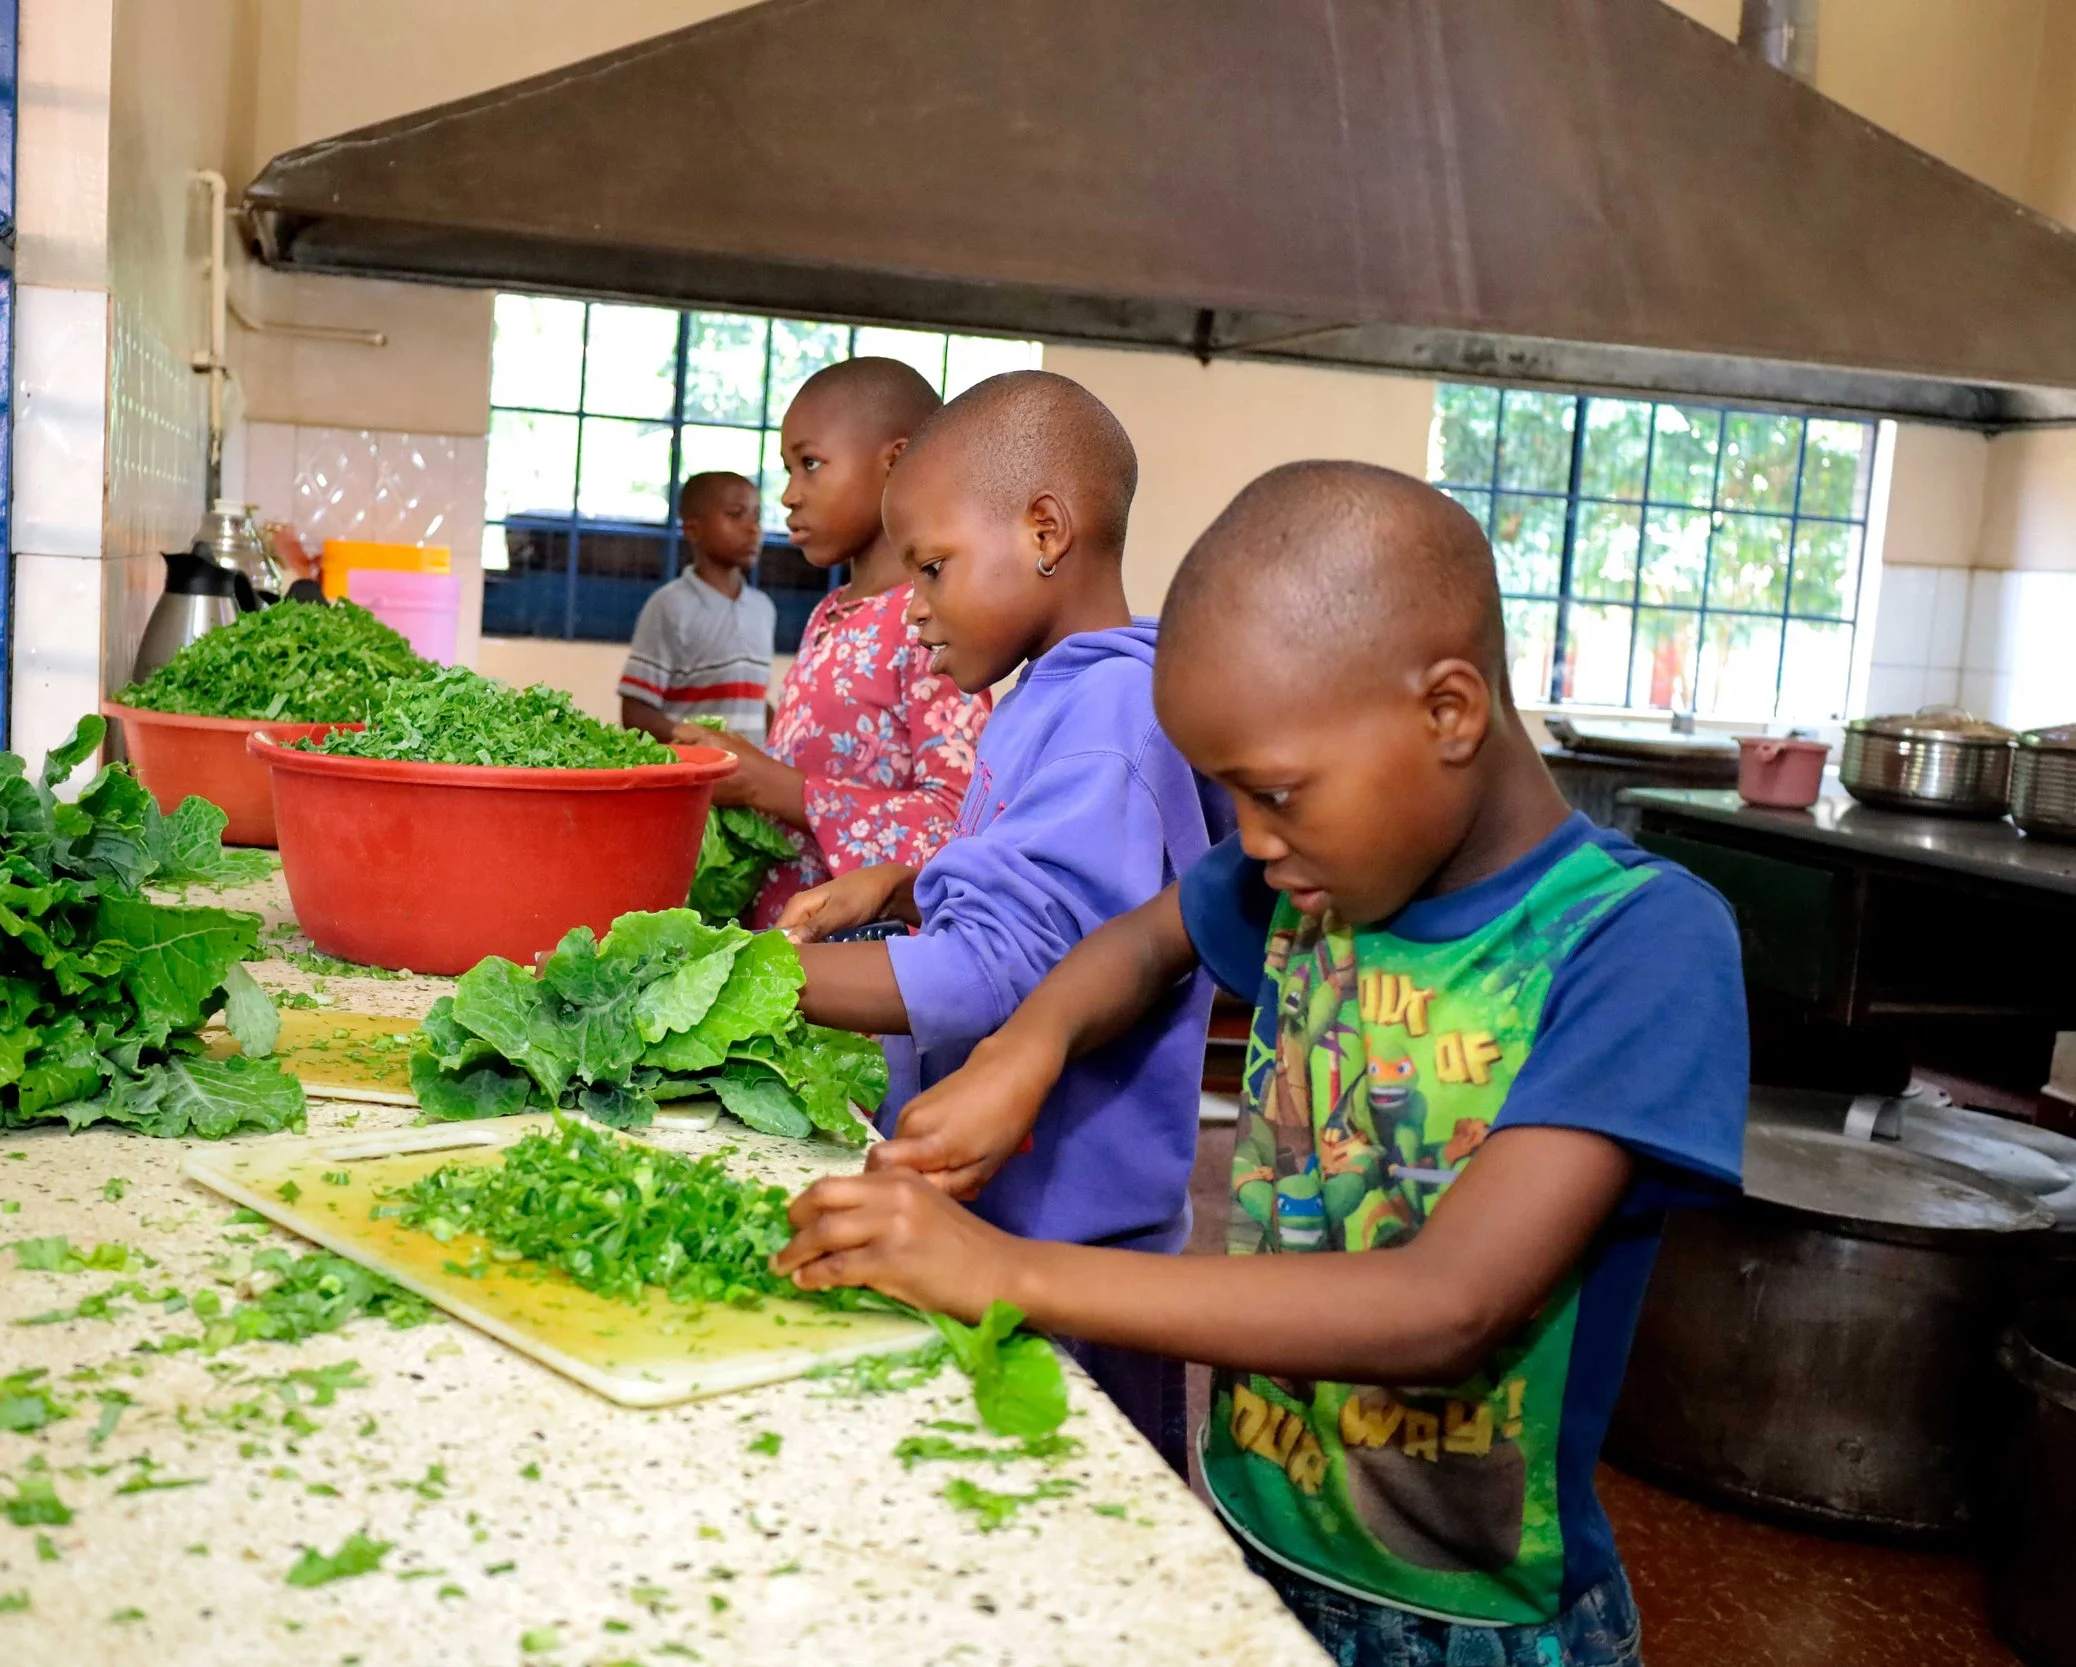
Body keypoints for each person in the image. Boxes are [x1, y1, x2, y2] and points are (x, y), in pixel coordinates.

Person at [772, 461, 1749, 1667]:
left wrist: (1005, 1270)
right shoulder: (1314, 872)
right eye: (1232, 793)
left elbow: (1448, 1304)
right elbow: (1140, 941)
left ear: (1447, 711)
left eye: (1276, 791)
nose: (1255, 837)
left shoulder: (1635, 939)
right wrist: (1025, 1052)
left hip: (1476, 1623)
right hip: (1252, 1538)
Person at [779, 370, 1227, 1470]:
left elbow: (996, 970)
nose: (915, 602)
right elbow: (1048, 892)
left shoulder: (1109, 716)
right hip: (1005, 1230)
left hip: (1068, 1262)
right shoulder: (1062, 696)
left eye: (932, 567)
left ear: (1043, 530)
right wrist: (901, 882)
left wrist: (724, 975)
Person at [704, 358, 989, 925]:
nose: (787, 495)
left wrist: (774, 788)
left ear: (898, 461)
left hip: (870, 975)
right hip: (788, 951)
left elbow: (955, 823)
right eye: (788, 469)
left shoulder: (933, 621)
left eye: (810, 464)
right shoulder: (828, 614)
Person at [617, 471, 777, 744]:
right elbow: (636, 711)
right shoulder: (670, 606)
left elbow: (748, 701)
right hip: (696, 778)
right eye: (736, 514)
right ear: (693, 531)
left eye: (757, 516)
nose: (753, 528)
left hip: (750, 782)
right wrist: (694, 737)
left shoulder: (763, 609)